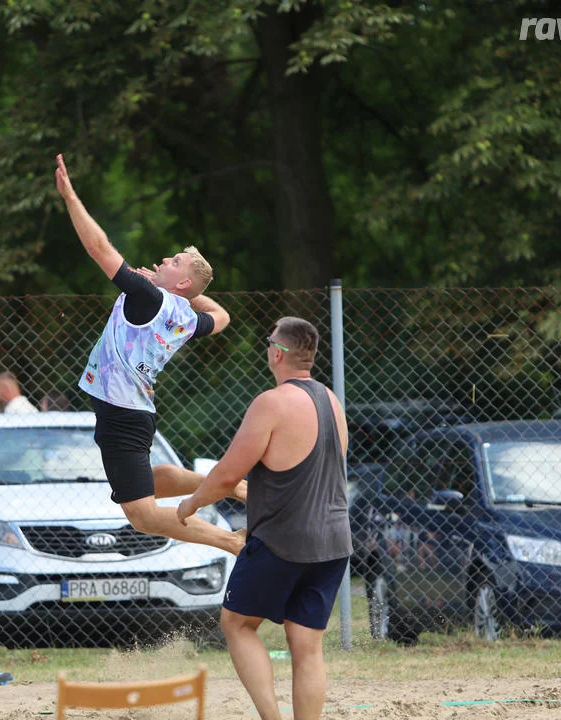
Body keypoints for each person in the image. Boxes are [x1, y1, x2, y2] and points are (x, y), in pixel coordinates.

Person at [55, 154, 243, 555]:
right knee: (152, 479)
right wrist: (184, 293)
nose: (162, 260)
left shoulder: (149, 296)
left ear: (184, 280)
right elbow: (221, 316)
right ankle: (237, 487)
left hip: (123, 414)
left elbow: (97, 246)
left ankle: (232, 542)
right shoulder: (184, 316)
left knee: (141, 514)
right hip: (136, 413)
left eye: (174, 262)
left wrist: (70, 196)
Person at [173, 317, 352, 720]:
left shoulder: (271, 403)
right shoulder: (331, 400)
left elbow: (226, 476)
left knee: (237, 623)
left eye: (269, 342)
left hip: (282, 541)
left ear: (278, 353)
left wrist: (190, 504)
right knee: (307, 647)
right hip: (334, 542)